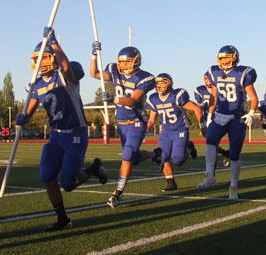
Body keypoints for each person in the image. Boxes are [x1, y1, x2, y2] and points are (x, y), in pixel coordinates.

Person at [16, 27, 107, 231]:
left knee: (68, 183)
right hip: (56, 136)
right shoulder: (36, 85)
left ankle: (92, 169)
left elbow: (66, 66)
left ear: (54, 58)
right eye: (38, 58)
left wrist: (54, 42)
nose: (41, 63)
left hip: (75, 133)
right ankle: (63, 219)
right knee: (47, 177)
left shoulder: (65, 77)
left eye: (45, 57)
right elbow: (30, 110)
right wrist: (23, 117)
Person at [90, 43, 159, 208]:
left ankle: (118, 193)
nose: (123, 65)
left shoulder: (146, 78)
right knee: (133, 159)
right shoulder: (114, 70)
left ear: (136, 61)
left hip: (136, 122)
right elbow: (94, 73)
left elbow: (132, 100)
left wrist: (114, 99)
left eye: (127, 62)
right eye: (121, 61)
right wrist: (93, 55)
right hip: (121, 123)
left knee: (127, 155)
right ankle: (153, 155)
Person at [197, 45, 258, 200]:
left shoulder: (243, 73)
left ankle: (233, 187)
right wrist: (210, 114)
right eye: (221, 57)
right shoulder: (214, 72)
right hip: (220, 115)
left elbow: (253, 97)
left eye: (226, 57)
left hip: (237, 117)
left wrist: (251, 112)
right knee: (210, 142)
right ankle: (210, 176)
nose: (223, 60)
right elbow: (214, 96)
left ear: (234, 57)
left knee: (235, 154)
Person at [146, 73, 200, 191]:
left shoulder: (176, 95)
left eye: (162, 82)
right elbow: (151, 119)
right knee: (162, 157)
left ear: (169, 83)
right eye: (158, 83)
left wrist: (203, 125)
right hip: (166, 131)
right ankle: (171, 183)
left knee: (178, 160)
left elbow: (196, 108)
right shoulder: (153, 98)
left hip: (180, 130)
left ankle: (189, 148)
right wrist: (144, 128)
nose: (159, 85)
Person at [194, 73, 231, 167]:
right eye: (206, 79)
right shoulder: (199, 90)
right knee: (211, 144)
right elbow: (200, 107)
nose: (208, 81)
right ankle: (224, 153)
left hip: (219, 119)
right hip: (207, 120)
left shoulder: (220, 89)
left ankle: (211, 172)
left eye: (209, 79)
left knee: (212, 145)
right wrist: (201, 124)